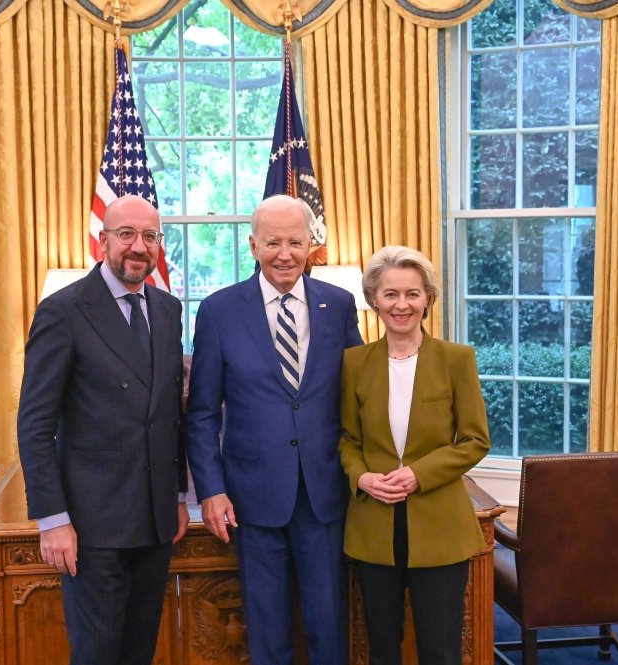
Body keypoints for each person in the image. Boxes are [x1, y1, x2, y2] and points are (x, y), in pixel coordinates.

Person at [186, 194, 364, 665]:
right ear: (252, 245)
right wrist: (211, 490)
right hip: (252, 497)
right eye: (272, 242)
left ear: (311, 245)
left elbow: (360, 396)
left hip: (325, 492)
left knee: (328, 624)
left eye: (294, 242)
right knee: (266, 631)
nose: (284, 253)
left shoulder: (339, 304)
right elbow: (202, 412)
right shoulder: (219, 310)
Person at [16, 194, 189, 665]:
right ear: (103, 240)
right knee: (97, 654)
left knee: (139, 652)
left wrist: (176, 496)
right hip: (92, 525)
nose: (138, 246)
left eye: (149, 236)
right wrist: (52, 520)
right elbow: (34, 424)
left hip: (155, 522)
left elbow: (170, 413)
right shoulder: (64, 310)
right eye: (126, 234)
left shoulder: (169, 310)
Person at [338, 245, 490, 665]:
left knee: (441, 651)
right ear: (374, 300)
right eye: (390, 294)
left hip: (440, 526)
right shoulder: (354, 362)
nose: (401, 305)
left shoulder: (457, 359)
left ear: (428, 299)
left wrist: (418, 474)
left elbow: (475, 440)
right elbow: (348, 439)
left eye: (412, 294)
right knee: (382, 649)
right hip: (373, 526)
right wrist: (362, 477)